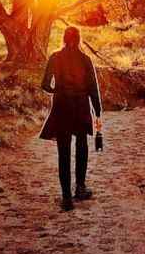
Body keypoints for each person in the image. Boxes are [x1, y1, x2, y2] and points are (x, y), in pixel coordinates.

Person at [38, 26, 102, 211]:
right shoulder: (85, 60)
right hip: (80, 107)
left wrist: (56, 91)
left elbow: (44, 84)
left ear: (64, 39)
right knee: (82, 146)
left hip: (61, 107)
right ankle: (80, 188)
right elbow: (93, 88)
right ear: (79, 39)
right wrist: (98, 112)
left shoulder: (55, 57)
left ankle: (66, 197)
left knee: (63, 152)